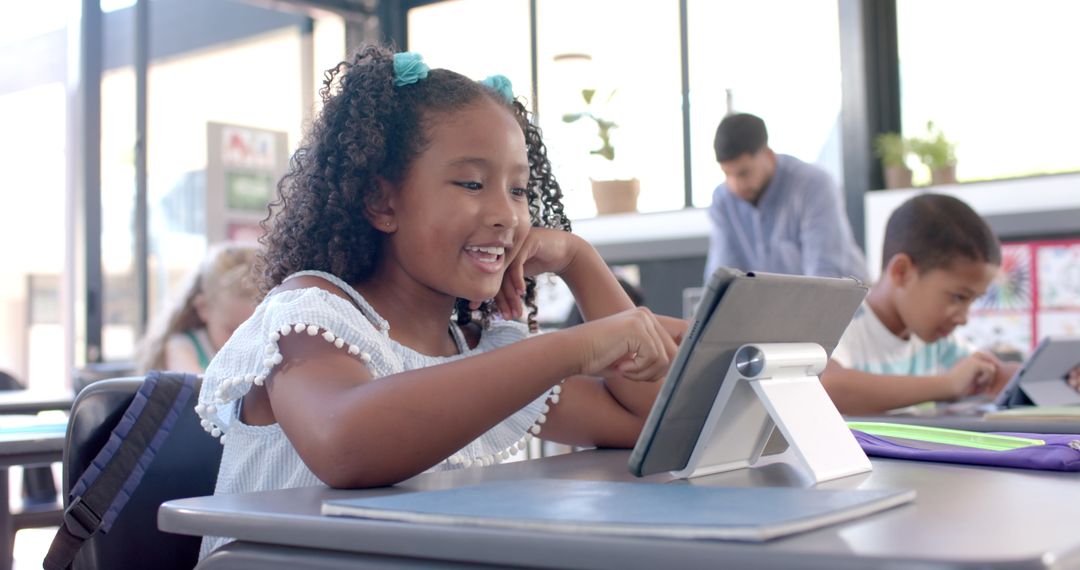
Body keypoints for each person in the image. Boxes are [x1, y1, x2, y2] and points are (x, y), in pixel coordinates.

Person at [195, 46, 684, 557]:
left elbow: (652, 426)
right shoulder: (309, 316)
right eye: (471, 183)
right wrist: (575, 348)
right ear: (382, 202)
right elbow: (346, 445)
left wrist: (579, 262)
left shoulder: (476, 350)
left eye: (518, 190)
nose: (506, 215)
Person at [820, 193, 1018, 415]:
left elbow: (991, 376)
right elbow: (827, 386)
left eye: (974, 300)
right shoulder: (841, 323)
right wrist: (946, 385)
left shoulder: (938, 340)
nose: (963, 318)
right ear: (902, 272)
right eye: (958, 297)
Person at [703, 113, 868, 283]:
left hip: (845, 303)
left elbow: (825, 277)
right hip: (780, 305)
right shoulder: (723, 200)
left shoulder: (813, 186)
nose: (736, 185)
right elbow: (723, 277)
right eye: (727, 174)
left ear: (768, 154)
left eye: (744, 173)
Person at [136, 242, 259, 374]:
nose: (244, 343)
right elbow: (197, 386)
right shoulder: (182, 346)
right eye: (232, 331)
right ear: (203, 308)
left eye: (256, 332)